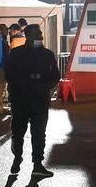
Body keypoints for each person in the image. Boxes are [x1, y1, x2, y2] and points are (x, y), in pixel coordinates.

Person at [4, 23, 59, 177]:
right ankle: (17, 158)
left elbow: (55, 75)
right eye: (37, 34)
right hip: (21, 99)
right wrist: (26, 85)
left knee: (39, 133)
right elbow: (8, 75)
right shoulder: (16, 53)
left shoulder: (47, 54)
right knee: (18, 132)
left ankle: (37, 164)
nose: (41, 36)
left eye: (40, 34)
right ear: (28, 36)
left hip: (39, 100)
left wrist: (45, 86)